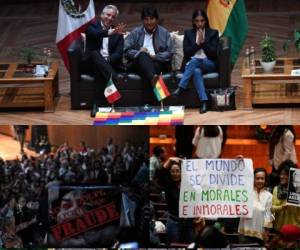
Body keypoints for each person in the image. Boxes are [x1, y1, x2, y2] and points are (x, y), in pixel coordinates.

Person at [172, 9, 219, 114]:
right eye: (197, 21)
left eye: (202, 21)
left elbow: (213, 54)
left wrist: (203, 43)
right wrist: (197, 44)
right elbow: (187, 53)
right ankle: (204, 101)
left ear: (205, 21)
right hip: (193, 65)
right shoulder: (188, 33)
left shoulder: (213, 33)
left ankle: (181, 87)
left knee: (194, 62)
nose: (200, 23)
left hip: (209, 63)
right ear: (193, 22)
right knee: (196, 70)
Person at [84, 5, 126, 117]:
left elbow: (118, 53)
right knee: (95, 54)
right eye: (108, 15)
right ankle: (114, 77)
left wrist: (107, 60)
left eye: (113, 16)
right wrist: (109, 33)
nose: (110, 18)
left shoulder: (117, 32)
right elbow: (95, 34)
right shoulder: (92, 26)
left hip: (107, 64)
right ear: (102, 15)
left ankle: (96, 105)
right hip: (92, 62)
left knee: (100, 67)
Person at [124, 5, 173, 92]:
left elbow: (169, 53)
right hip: (138, 64)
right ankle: (153, 78)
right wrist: (139, 52)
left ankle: (146, 102)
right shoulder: (136, 32)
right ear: (142, 20)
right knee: (143, 55)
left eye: (152, 19)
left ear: (157, 19)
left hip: (157, 63)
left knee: (149, 69)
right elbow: (127, 51)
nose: (149, 22)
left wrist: (153, 57)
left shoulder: (164, 33)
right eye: (146, 19)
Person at [156, 157, 195, 244]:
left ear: (181, 172)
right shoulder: (168, 184)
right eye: (172, 171)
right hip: (174, 221)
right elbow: (159, 174)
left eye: (177, 171)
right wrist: (169, 160)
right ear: (169, 173)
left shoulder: (189, 185)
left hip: (188, 223)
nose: (175, 174)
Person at [238, 168, 273, 246]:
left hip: (260, 234)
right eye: (257, 178)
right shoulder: (245, 192)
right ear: (253, 179)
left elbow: (268, 215)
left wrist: (267, 233)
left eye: (262, 178)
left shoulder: (269, 196)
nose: (260, 181)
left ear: (265, 180)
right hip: (245, 233)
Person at [271, 160, 300, 232]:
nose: (282, 176)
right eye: (281, 174)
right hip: (279, 229)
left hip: (295, 229)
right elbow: (272, 208)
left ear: (291, 175)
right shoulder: (276, 189)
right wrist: (281, 207)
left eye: (285, 174)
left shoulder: (298, 189)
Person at [269, 126, 297, 190]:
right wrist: (272, 160)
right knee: (277, 188)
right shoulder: (277, 130)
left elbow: (288, 152)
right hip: (277, 165)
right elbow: (273, 146)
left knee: (287, 189)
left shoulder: (288, 134)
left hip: (286, 167)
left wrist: (281, 168)